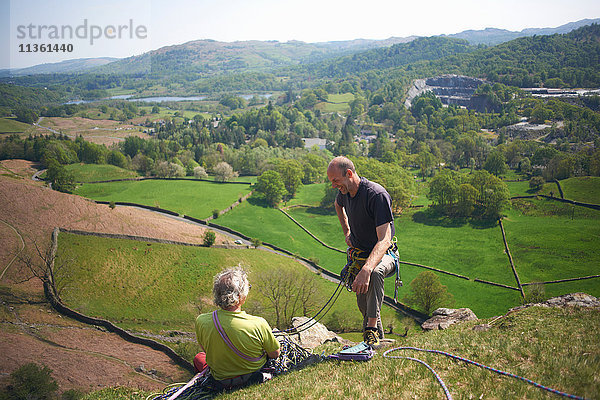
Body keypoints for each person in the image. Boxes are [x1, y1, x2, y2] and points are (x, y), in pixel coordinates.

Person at [327, 156, 398, 347]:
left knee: (375, 272)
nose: (334, 186)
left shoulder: (376, 195)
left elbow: (385, 240)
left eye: (335, 180)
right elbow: (338, 205)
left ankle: (371, 331)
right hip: (360, 254)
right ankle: (377, 343)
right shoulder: (345, 191)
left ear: (349, 173)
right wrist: (347, 231)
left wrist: (366, 269)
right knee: (365, 306)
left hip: (385, 255)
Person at [194, 267, 280, 390]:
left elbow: (207, 351)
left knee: (199, 358)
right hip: (252, 375)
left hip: (221, 381)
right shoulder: (258, 323)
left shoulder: (201, 321)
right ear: (239, 296)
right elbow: (275, 354)